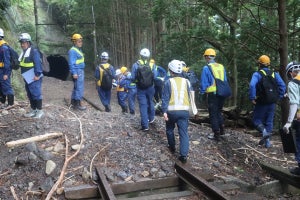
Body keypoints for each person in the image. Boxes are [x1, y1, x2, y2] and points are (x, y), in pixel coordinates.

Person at [249, 55, 286, 148]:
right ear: (268, 64)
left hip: (261, 101)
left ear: (259, 64)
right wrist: (279, 97)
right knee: (269, 121)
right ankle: (268, 143)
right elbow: (283, 86)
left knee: (256, 120)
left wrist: (252, 97)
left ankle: (264, 132)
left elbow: (252, 85)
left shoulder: (257, 74)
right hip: (272, 101)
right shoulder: (274, 74)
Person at [161, 59, 191, 163]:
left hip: (172, 111)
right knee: (184, 133)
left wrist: (164, 111)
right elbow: (190, 96)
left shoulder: (168, 82)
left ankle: (172, 147)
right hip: (184, 111)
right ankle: (183, 155)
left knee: (169, 129)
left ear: (170, 70)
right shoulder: (187, 81)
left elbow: (165, 98)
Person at [199, 48, 229, 141]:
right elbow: (225, 79)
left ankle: (216, 134)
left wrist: (202, 92)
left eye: (205, 57)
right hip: (222, 92)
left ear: (207, 57)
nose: (205, 59)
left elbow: (204, 82)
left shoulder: (206, 68)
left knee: (213, 114)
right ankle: (222, 130)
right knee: (218, 112)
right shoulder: (221, 66)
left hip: (213, 94)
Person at [131, 48, 157, 131]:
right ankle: (151, 118)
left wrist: (137, 81)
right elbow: (155, 77)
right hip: (150, 87)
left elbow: (132, 77)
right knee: (150, 102)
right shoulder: (152, 65)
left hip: (140, 88)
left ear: (140, 55)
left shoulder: (136, 65)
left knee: (143, 105)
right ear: (148, 56)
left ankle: (145, 125)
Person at [18, 33, 44, 118]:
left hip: (34, 77)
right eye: (21, 42)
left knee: (36, 93)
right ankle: (33, 110)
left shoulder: (34, 51)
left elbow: (38, 64)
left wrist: (37, 75)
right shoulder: (23, 53)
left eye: (24, 42)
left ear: (28, 42)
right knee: (30, 94)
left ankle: (39, 111)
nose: (22, 44)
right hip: (27, 77)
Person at [283, 61, 300, 175]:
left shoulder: (293, 83)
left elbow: (294, 103)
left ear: (290, 72)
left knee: (299, 141)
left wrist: (289, 122)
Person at [68, 33, 86, 110]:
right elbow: (71, 63)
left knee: (76, 87)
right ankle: (77, 105)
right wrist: (74, 73)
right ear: (74, 42)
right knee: (79, 88)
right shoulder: (73, 51)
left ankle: (73, 103)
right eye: (79, 41)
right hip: (77, 71)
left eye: (81, 41)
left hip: (80, 70)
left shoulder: (78, 49)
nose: (80, 43)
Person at [0, 28, 15, 107]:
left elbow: (7, 62)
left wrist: (6, 73)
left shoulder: (4, 48)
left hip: (4, 70)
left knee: (6, 86)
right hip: (1, 70)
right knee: (1, 86)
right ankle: (2, 103)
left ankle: (10, 104)